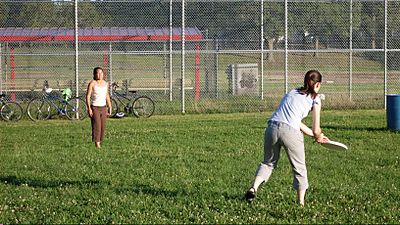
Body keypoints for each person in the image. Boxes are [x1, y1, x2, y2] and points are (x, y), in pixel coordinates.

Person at [245, 70, 329, 206]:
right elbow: (316, 128)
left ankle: (253, 187)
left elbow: (296, 121)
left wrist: (315, 135)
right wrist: (318, 135)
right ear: (318, 84)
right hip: (290, 132)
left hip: (272, 127)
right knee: (299, 168)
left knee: (268, 162)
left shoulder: (292, 92)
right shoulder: (316, 99)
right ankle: (300, 203)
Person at [86, 67, 112, 148]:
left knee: (102, 127)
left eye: (101, 73)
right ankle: (97, 144)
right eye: (98, 73)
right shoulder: (92, 83)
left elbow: (106, 95)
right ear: (94, 74)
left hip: (103, 107)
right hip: (95, 107)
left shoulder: (105, 83)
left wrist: (109, 106)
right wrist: (89, 108)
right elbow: (88, 96)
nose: (100, 75)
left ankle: (99, 140)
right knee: (97, 126)